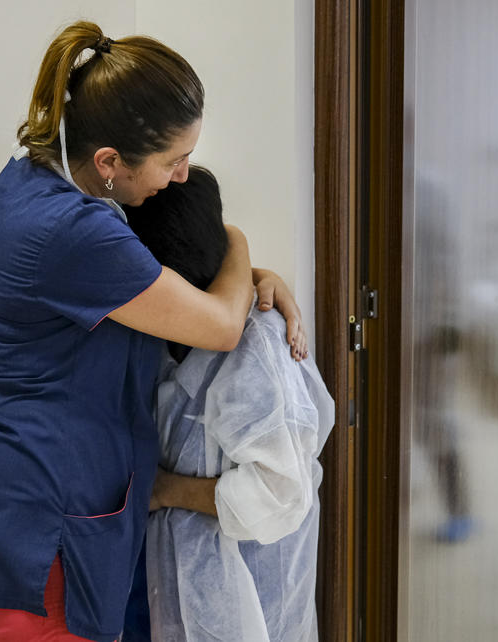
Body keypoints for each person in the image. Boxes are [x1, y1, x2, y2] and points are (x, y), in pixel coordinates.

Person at [0, 21, 305, 642]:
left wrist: (248, 273)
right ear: (108, 162)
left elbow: (148, 294)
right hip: (33, 539)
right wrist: (235, 240)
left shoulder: (32, 175)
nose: (182, 176)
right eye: (172, 161)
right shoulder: (79, 232)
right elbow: (221, 326)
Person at [123, 166, 334, 642]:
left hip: (250, 600)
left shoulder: (255, 349)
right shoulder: (158, 332)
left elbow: (281, 493)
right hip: (178, 584)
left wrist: (167, 491)